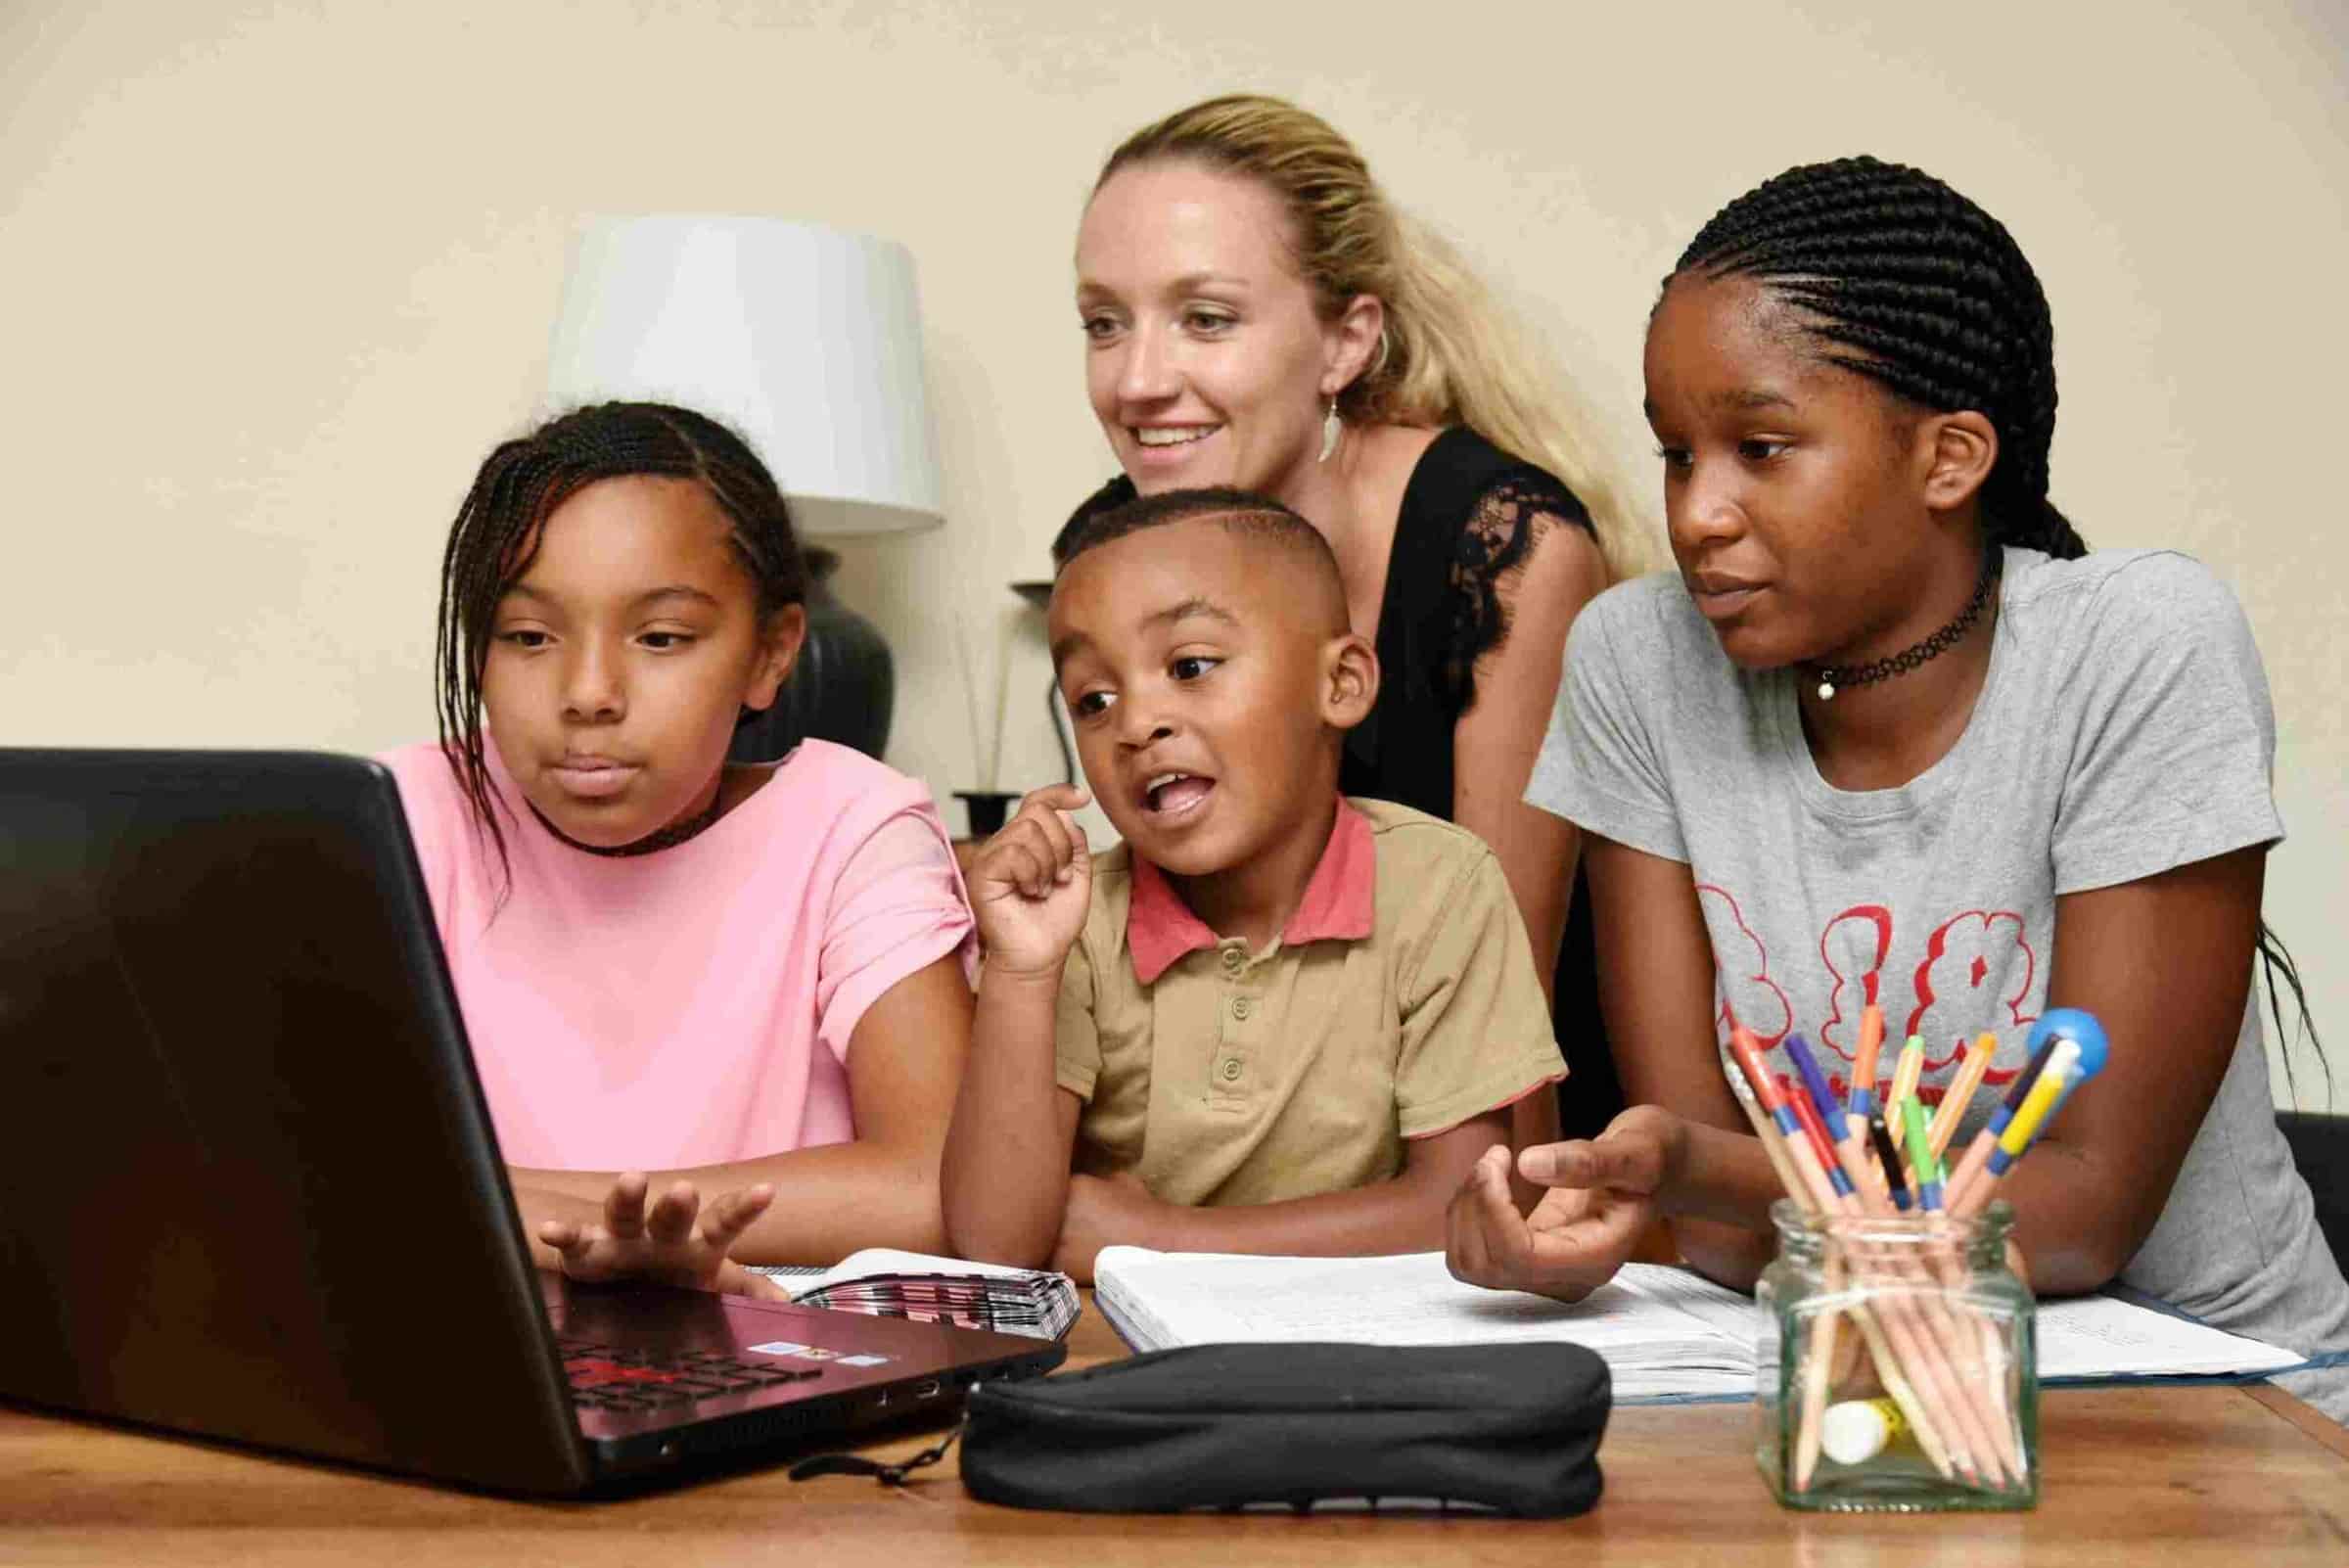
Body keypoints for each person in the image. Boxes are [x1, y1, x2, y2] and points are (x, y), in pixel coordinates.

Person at [1445, 157, 2349, 1420]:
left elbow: (2084, 1211)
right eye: (1675, 453)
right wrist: (1632, 1203)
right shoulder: (1639, 659)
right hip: (1849, 1388)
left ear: (1951, 457)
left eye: (1762, 448)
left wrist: (1693, 1170)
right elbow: (1707, 1221)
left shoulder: (2141, 643)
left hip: (2213, 1394)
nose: (1699, 511)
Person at [1061, 93, 1650, 1147]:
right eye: (1105, 323)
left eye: (1206, 318)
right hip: (1242, 1147)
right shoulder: (1114, 541)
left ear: (1345, 341)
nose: (1138, 382)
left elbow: (1499, 1051)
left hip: (1477, 1162)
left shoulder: (1500, 548)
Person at [385, 401, 975, 1292]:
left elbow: (939, 1187)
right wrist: (567, 1224)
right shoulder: (399, 814)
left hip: (770, 1364)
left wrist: (535, 1211)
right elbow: (283, 1156)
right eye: (529, 637)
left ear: (770, 655)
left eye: (660, 638)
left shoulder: (854, 829)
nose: (588, 693)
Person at [944, 487, 1565, 1278]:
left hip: (1368, 1361)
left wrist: (1162, 1239)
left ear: (1339, 684)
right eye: (1094, 700)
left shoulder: (1441, 886)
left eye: (1190, 666)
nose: (1136, 724)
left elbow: (1460, 1206)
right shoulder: (1077, 925)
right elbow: (995, 1245)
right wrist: (1023, 970)